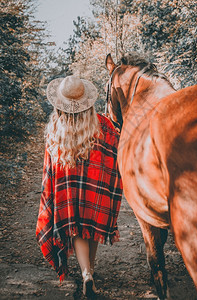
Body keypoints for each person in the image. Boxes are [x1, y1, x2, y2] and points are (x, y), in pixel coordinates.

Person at [36, 75, 123, 298]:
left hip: (68, 188)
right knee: (91, 225)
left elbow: (50, 168)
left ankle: (87, 274)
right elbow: (116, 151)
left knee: (77, 228)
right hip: (96, 186)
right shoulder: (103, 124)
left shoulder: (55, 127)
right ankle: (89, 272)